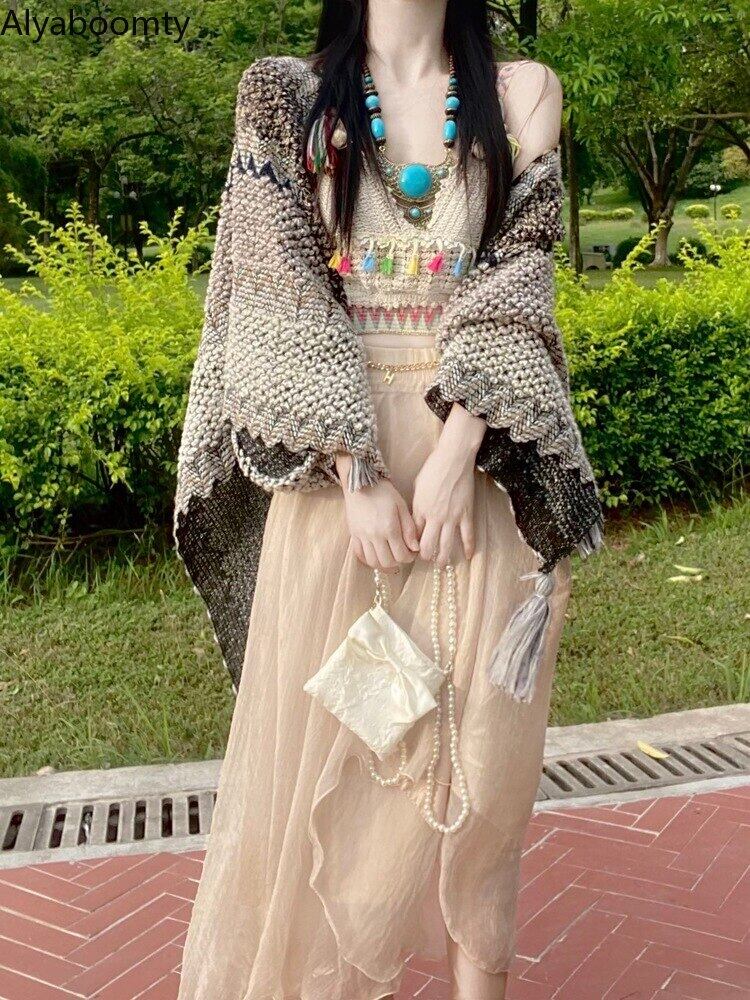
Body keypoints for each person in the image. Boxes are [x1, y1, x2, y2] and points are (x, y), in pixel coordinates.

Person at [174, 1, 602, 997]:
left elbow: (519, 278)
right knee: (327, 764)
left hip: (479, 476)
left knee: (486, 775)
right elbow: (277, 291)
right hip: (339, 489)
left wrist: (460, 447)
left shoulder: (522, 94)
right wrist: (354, 471)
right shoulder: (283, 97)